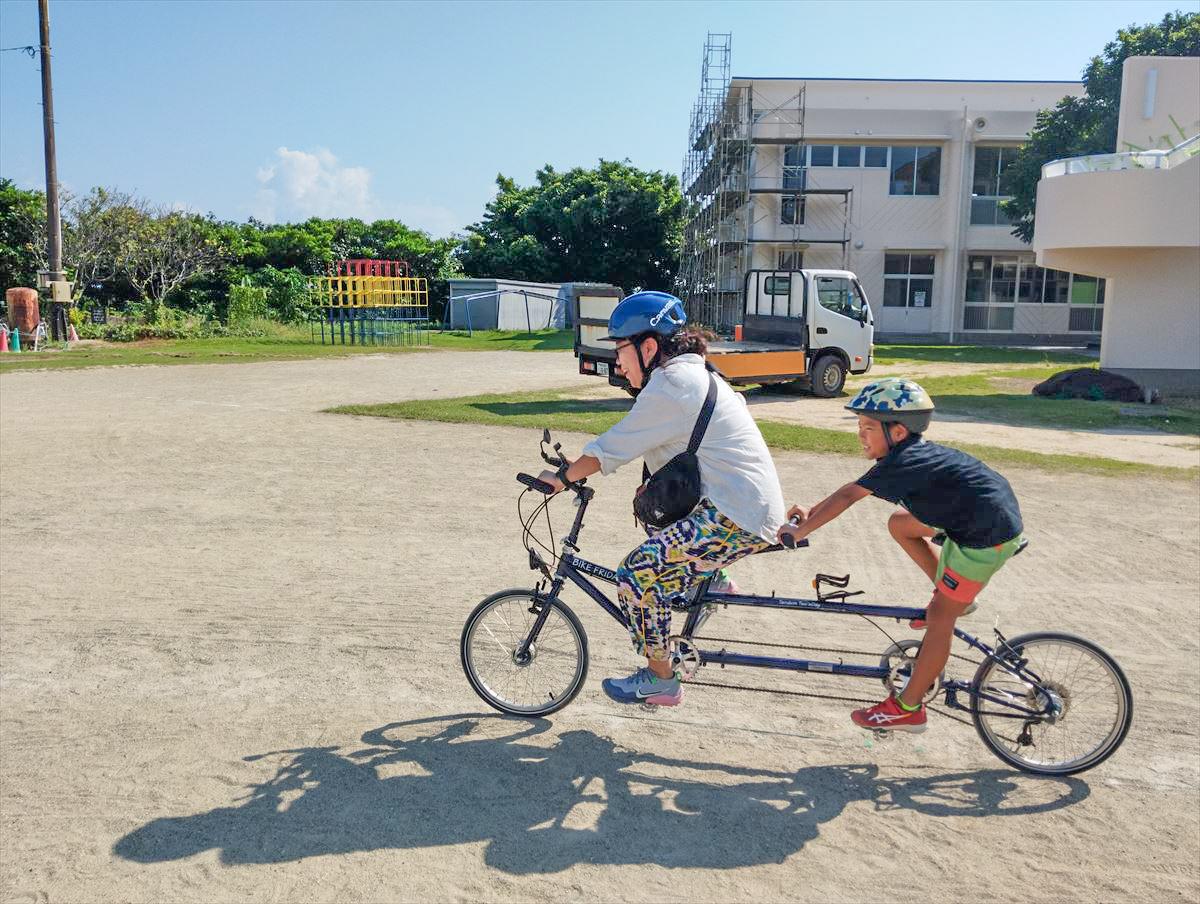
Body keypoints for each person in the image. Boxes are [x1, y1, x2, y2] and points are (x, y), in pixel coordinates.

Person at [538, 291, 785, 707]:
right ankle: (713, 580)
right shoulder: (691, 374)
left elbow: (613, 445)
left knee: (636, 574)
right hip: (734, 504)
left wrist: (562, 477)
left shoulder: (672, 383)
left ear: (648, 347)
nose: (618, 362)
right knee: (652, 516)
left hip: (734, 513)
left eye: (621, 350)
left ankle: (661, 677)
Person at [777, 377, 1024, 733]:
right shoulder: (909, 456)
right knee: (901, 524)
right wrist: (810, 512)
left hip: (985, 535)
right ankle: (954, 597)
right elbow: (849, 492)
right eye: (859, 426)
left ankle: (908, 707)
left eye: (868, 428)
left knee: (941, 617)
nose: (861, 434)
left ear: (898, 432)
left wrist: (800, 531)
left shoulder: (906, 461)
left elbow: (849, 495)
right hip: (978, 516)